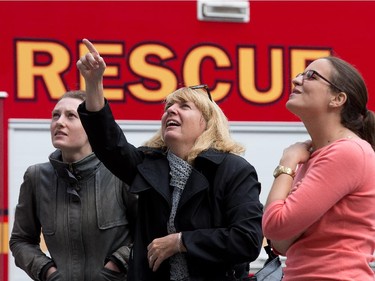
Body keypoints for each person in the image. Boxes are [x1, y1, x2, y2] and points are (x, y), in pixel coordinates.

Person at [76, 38, 263, 281]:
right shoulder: (148, 164)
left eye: (184, 106)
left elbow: (247, 240)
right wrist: (94, 83)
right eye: (168, 107)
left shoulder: (233, 169)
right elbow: (109, 143)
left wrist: (181, 241)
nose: (171, 111)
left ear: (206, 124)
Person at [262, 56, 375, 280]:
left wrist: (287, 163)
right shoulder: (319, 155)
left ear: (338, 99)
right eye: (300, 74)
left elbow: (275, 227)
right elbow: (280, 243)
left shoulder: (346, 153)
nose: (295, 80)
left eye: (311, 76)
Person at [9, 90, 137, 281]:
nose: (59, 122)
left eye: (71, 116)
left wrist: (116, 266)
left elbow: (149, 231)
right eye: (55, 115)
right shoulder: (36, 177)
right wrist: (48, 272)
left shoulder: (121, 173)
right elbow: (21, 240)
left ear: (92, 127)